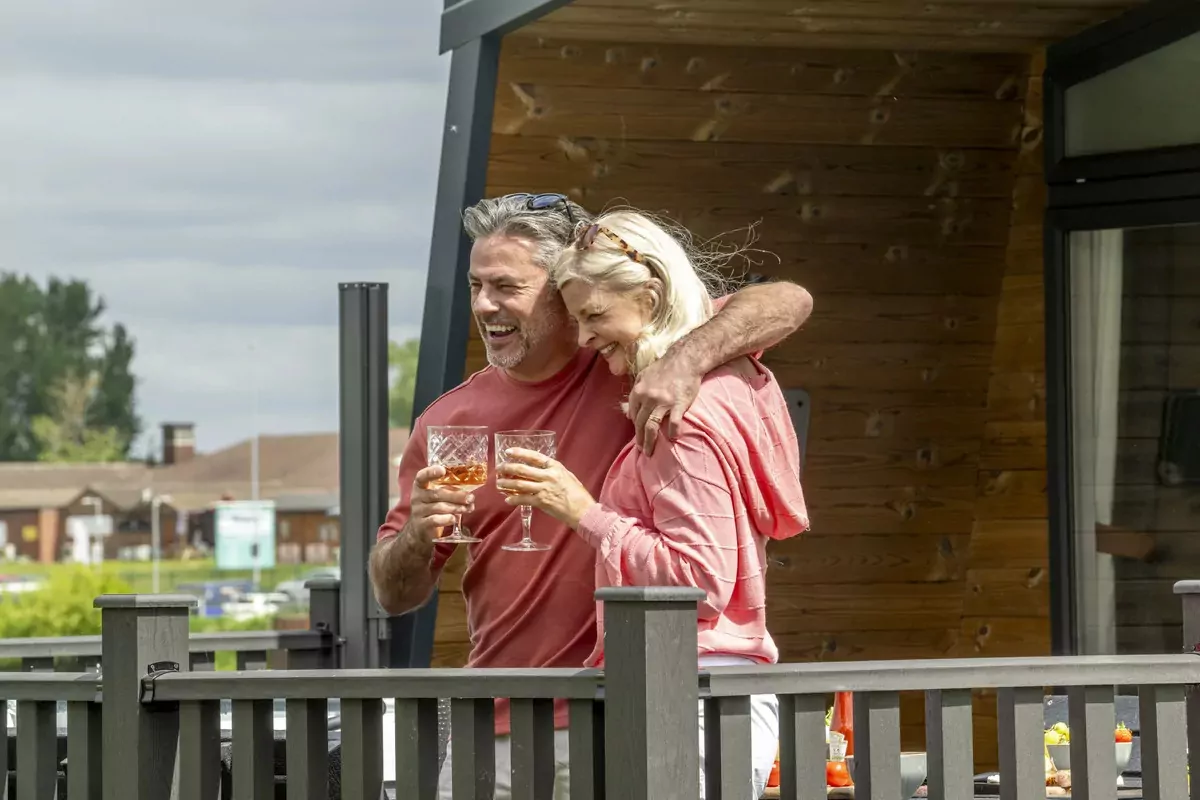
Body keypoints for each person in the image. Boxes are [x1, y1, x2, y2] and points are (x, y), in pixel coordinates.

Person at [369, 192, 813, 799]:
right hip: (498, 717)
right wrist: (419, 535)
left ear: (564, 288)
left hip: (622, 703)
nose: (484, 305)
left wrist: (683, 362)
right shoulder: (448, 421)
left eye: (506, 286)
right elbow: (394, 595)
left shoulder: (625, 357)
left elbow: (788, 301)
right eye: (476, 285)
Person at [494, 208, 810, 798]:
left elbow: (699, 578)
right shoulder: (732, 381)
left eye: (594, 315)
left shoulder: (676, 417)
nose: (585, 338)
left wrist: (580, 509)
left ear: (651, 294)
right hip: (711, 694)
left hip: (684, 698)